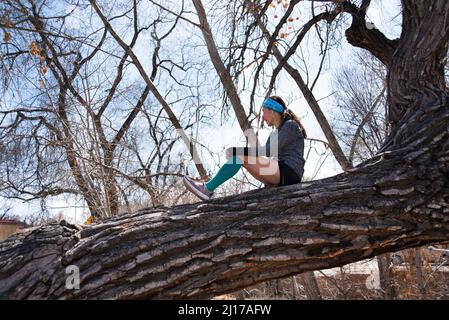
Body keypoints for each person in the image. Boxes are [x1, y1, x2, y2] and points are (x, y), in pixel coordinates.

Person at [183, 96, 307, 201]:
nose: (263, 117)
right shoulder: (274, 133)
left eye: (264, 111)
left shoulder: (290, 125)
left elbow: (268, 151)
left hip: (290, 172)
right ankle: (208, 188)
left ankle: (207, 188)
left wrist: (241, 151)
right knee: (241, 160)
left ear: (273, 111)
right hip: (281, 174)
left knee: (239, 156)